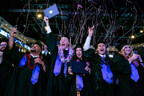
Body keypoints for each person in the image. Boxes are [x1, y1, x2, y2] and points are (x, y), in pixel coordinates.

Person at [6, 28, 46, 96]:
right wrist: (12, 36)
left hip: (32, 91)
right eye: (33, 45)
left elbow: (46, 76)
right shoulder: (22, 57)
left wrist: (43, 64)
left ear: (40, 50)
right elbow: (11, 49)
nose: (33, 46)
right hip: (18, 89)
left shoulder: (42, 62)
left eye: (36, 46)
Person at [43, 16, 76, 96]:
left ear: (68, 43)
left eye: (65, 40)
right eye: (61, 40)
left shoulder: (72, 54)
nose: (62, 41)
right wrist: (47, 23)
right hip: (53, 79)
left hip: (65, 81)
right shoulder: (55, 51)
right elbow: (51, 38)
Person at [83, 26, 114, 96]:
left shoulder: (110, 60)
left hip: (110, 85)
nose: (101, 47)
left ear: (106, 48)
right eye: (99, 46)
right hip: (97, 86)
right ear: (96, 49)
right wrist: (89, 35)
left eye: (103, 46)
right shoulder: (93, 58)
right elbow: (85, 49)